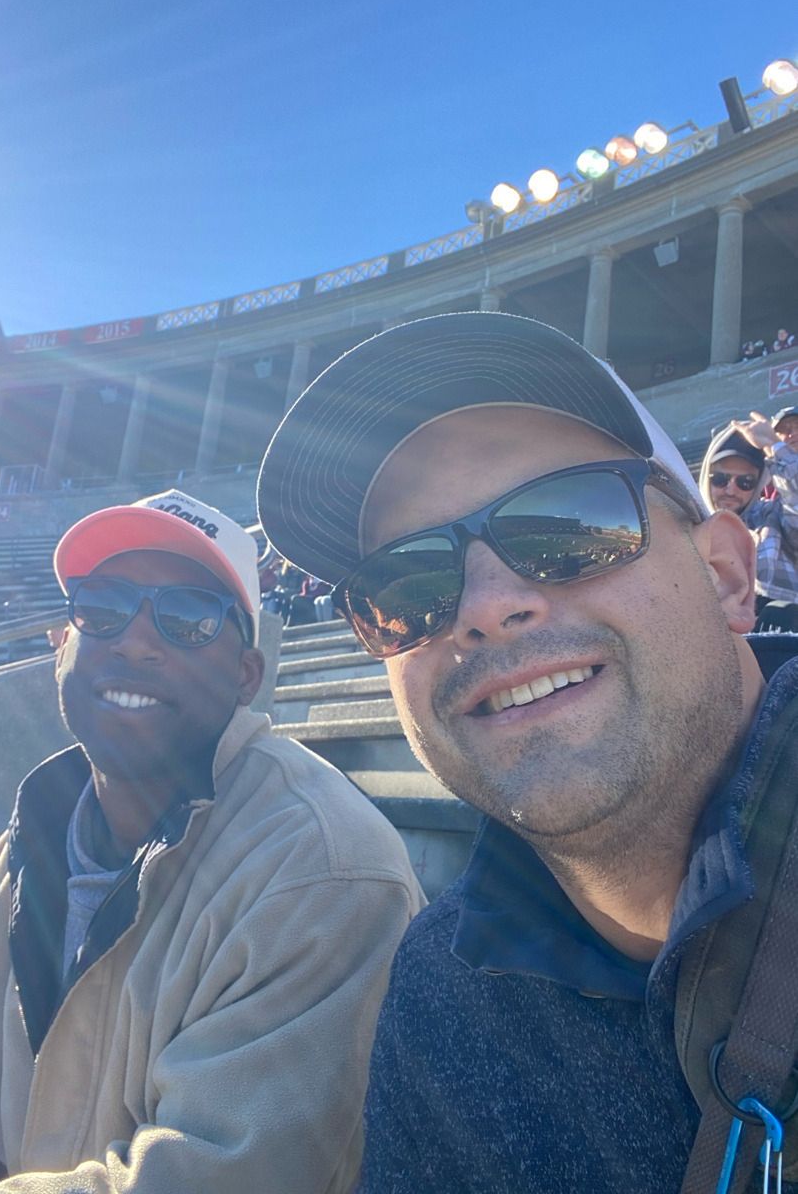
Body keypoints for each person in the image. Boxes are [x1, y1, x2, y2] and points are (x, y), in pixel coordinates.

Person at [257, 312, 798, 1193]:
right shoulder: (438, 991)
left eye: (567, 525)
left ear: (729, 577)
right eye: (408, 582)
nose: (484, 604)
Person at [0, 488, 423, 1193]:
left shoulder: (323, 871)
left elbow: (214, 1173)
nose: (136, 640)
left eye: (187, 619)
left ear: (247, 676)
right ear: (62, 644)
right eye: (105, 606)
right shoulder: (23, 851)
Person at [698, 410, 798, 629]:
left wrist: (774, 445)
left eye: (745, 482)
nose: (731, 489)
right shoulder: (686, 526)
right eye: (721, 478)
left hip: (776, 634)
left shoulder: (771, 518)